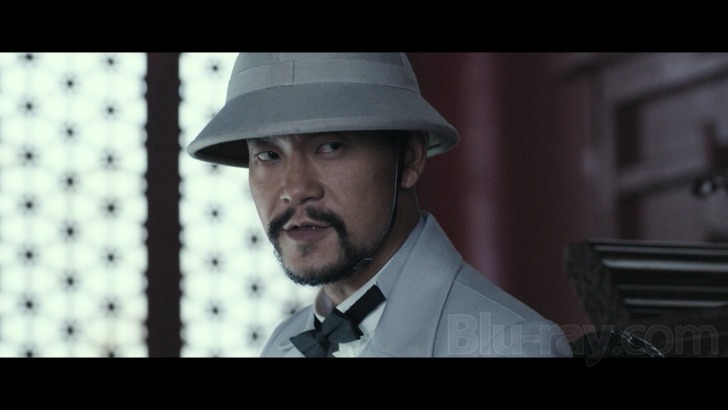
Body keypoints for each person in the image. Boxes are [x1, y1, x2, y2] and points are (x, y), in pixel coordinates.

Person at [187, 53, 573, 357]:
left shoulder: (506, 345)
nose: (295, 189)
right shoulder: (284, 345)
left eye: (330, 146)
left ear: (409, 158)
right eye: (268, 155)